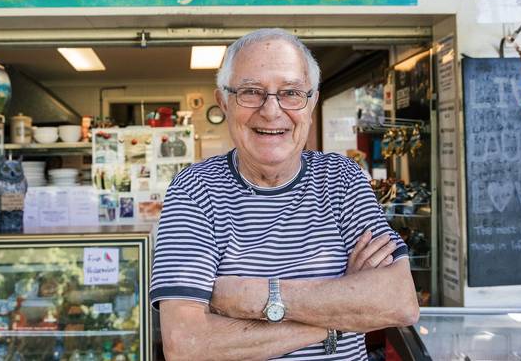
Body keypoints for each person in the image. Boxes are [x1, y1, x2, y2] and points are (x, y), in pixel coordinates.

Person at [150, 28, 419, 360]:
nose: (271, 111)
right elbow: (186, 346)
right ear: (224, 102)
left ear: (312, 102)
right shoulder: (194, 189)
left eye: (291, 93)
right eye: (251, 92)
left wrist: (259, 296)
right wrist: (341, 316)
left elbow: (400, 301)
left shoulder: (343, 179)